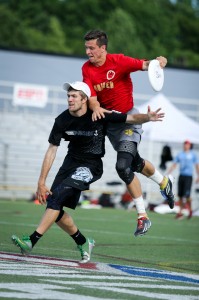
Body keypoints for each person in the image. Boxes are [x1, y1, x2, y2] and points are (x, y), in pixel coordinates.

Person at [11, 81, 165, 263]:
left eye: (74, 96)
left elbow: (129, 119)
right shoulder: (61, 120)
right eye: (68, 96)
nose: (70, 99)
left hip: (91, 165)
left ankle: (31, 241)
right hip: (70, 163)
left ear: (84, 99)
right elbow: (52, 149)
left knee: (58, 197)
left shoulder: (98, 115)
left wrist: (148, 117)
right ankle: (83, 242)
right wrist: (41, 182)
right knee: (54, 205)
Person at [82, 29, 175, 236]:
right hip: (110, 124)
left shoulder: (120, 61)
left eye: (91, 48)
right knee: (134, 163)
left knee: (123, 166)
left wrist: (159, 61)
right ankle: (164, 181)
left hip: (129, 120)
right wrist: (95, 107)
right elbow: (92, 95)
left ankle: (143, 217)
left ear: (103, 48)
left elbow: (146, 65)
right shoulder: (87, 68)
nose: (87, 52)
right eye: (86, 48)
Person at [167, 140, 199, 219]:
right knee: (180, 195)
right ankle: (180, 212)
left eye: (187, 145)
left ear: (189, 146)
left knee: (187, 195)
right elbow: (174, 164)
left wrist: (198, 176)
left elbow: (196, 165)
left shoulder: (193, 155)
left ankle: (190, 210)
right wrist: (168, 173)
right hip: (181, 176)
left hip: (188, 177)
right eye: (185, 144)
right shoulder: (180, 154)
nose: (186, 146)